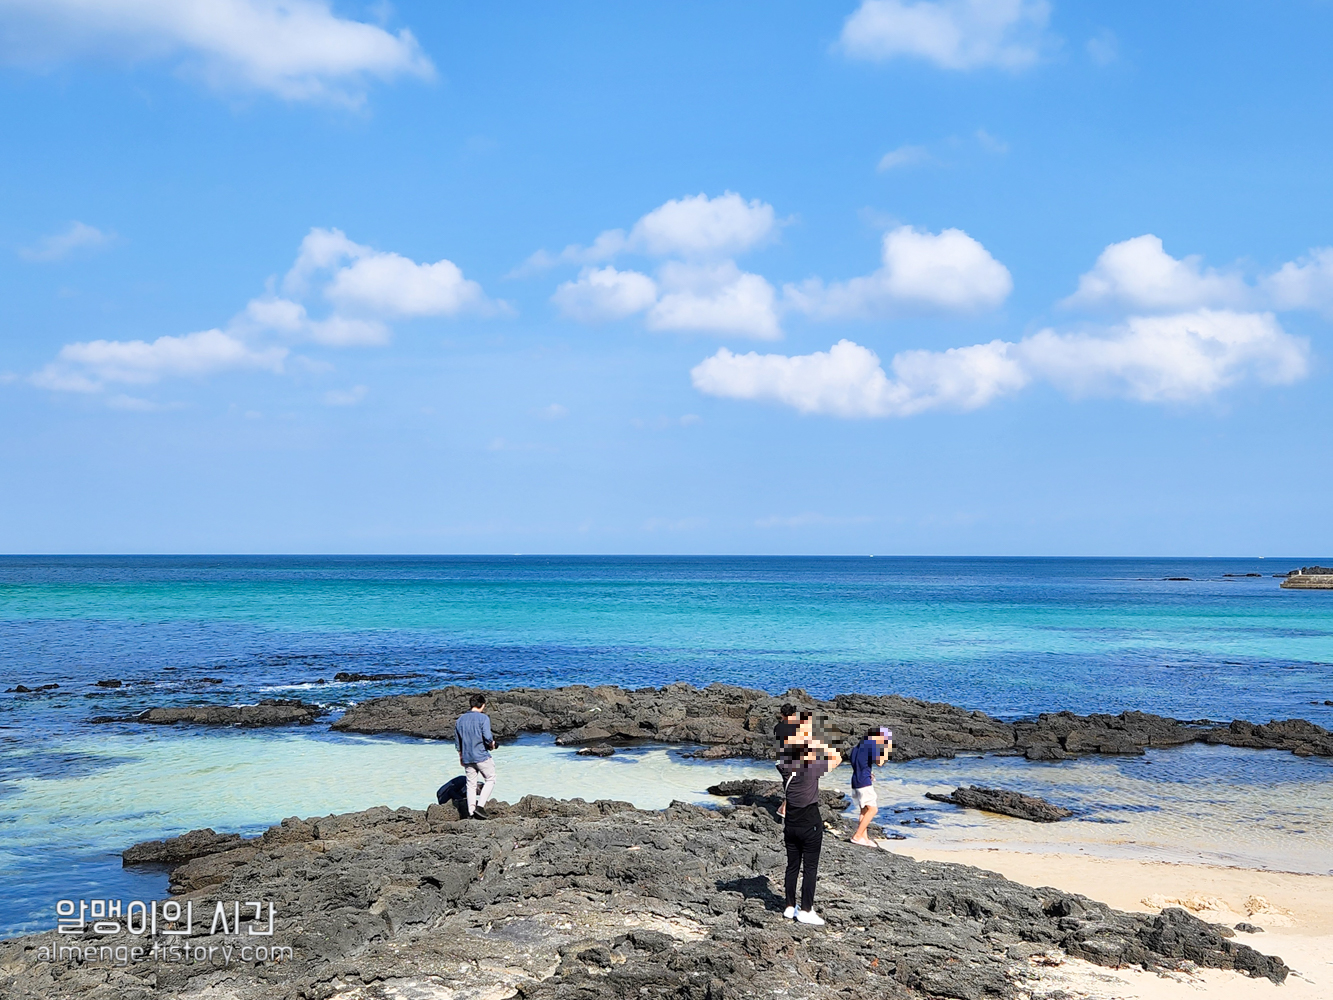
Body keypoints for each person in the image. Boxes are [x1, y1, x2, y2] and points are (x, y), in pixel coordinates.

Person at [776, 722, 841, 926]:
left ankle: (789, 906)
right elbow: (837, 758)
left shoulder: (783, 766)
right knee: (810, 868)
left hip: (791, 824)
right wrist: (817, 741)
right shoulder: (812, 768)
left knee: (792, 866)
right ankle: (805, 910)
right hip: (810, 824)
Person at [454, 693, 497, 819]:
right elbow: (488, 737)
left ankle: (471, 812)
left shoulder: (460, 720)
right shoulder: (483, 718)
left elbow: (458, 742)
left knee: (471, 785)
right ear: (482, 705)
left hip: (467, 756)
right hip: (481, 755)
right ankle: (480, 807)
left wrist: (461, 756)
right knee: (490, 778)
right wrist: (493, 744)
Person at [848, 727, 892, 847]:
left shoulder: (856, 748)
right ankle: (857, 836)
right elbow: (880, 762)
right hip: (864, 782)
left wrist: (869, 773)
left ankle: (864, 838)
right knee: (873, 810)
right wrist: (887, 750)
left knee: (864, 810)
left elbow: (858, 764)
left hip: (855, 781)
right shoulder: (871, 745)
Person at [772, 704, 803, 819]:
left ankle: (785, 808)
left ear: (781, 714)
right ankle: (783, 809)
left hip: (781, 762)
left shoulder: (777, 727)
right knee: (795, 786)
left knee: (790, 785)